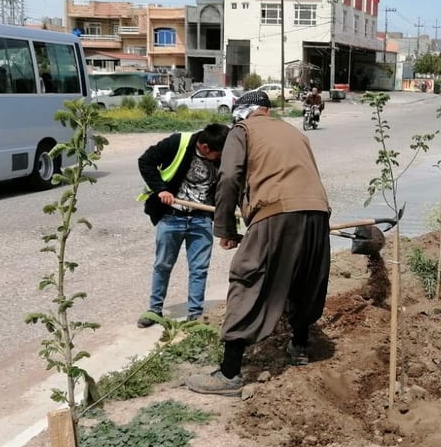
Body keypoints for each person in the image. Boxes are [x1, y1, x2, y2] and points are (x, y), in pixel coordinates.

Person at [186, 90, 332, 396]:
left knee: (248, 278)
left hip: (276, 212)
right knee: (304, 278)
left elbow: (228, 178)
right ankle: (301, 345)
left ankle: (228, 374)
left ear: (245, 112)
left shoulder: (243, 130)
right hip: (317, 212)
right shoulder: (294, 131)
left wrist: (225, 228)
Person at [136, 122, 230, 328]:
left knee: (199, 269)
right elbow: (145, 162)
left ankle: (194, 315)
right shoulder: (178, 143)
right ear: (205, 147)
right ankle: (154, 310)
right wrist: (161, 190)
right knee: (163, 265)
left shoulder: (226, 156)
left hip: (202, 218)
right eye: (219, 154)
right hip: (171, 217)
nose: (222, 157)